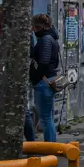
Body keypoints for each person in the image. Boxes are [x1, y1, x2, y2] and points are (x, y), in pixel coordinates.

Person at [25, 14, 60, 142]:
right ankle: (51, 144)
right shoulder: (50, 38)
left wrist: (36, 77)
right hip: (47, 80)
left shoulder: (45, 39)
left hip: (44, 82)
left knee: (45, 117)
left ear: (42, 26)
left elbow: (44, 62)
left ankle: (50, 145)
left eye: (35, 27)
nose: (33, 30)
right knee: (47, 116)